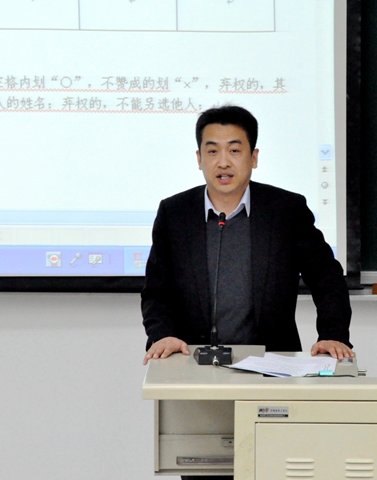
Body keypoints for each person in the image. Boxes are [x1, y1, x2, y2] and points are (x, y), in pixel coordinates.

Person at [141, 105, 353, 480]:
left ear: (253, 157)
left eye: (234, 150)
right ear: (199, 158)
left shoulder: (285, 210)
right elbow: (156, 290)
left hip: (271, 374)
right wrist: (163, 334)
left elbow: (327, 276)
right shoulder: (175, 213)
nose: (223, 162)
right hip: (198, 374)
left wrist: (333, 334)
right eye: (212, 150)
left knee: (274, 469)